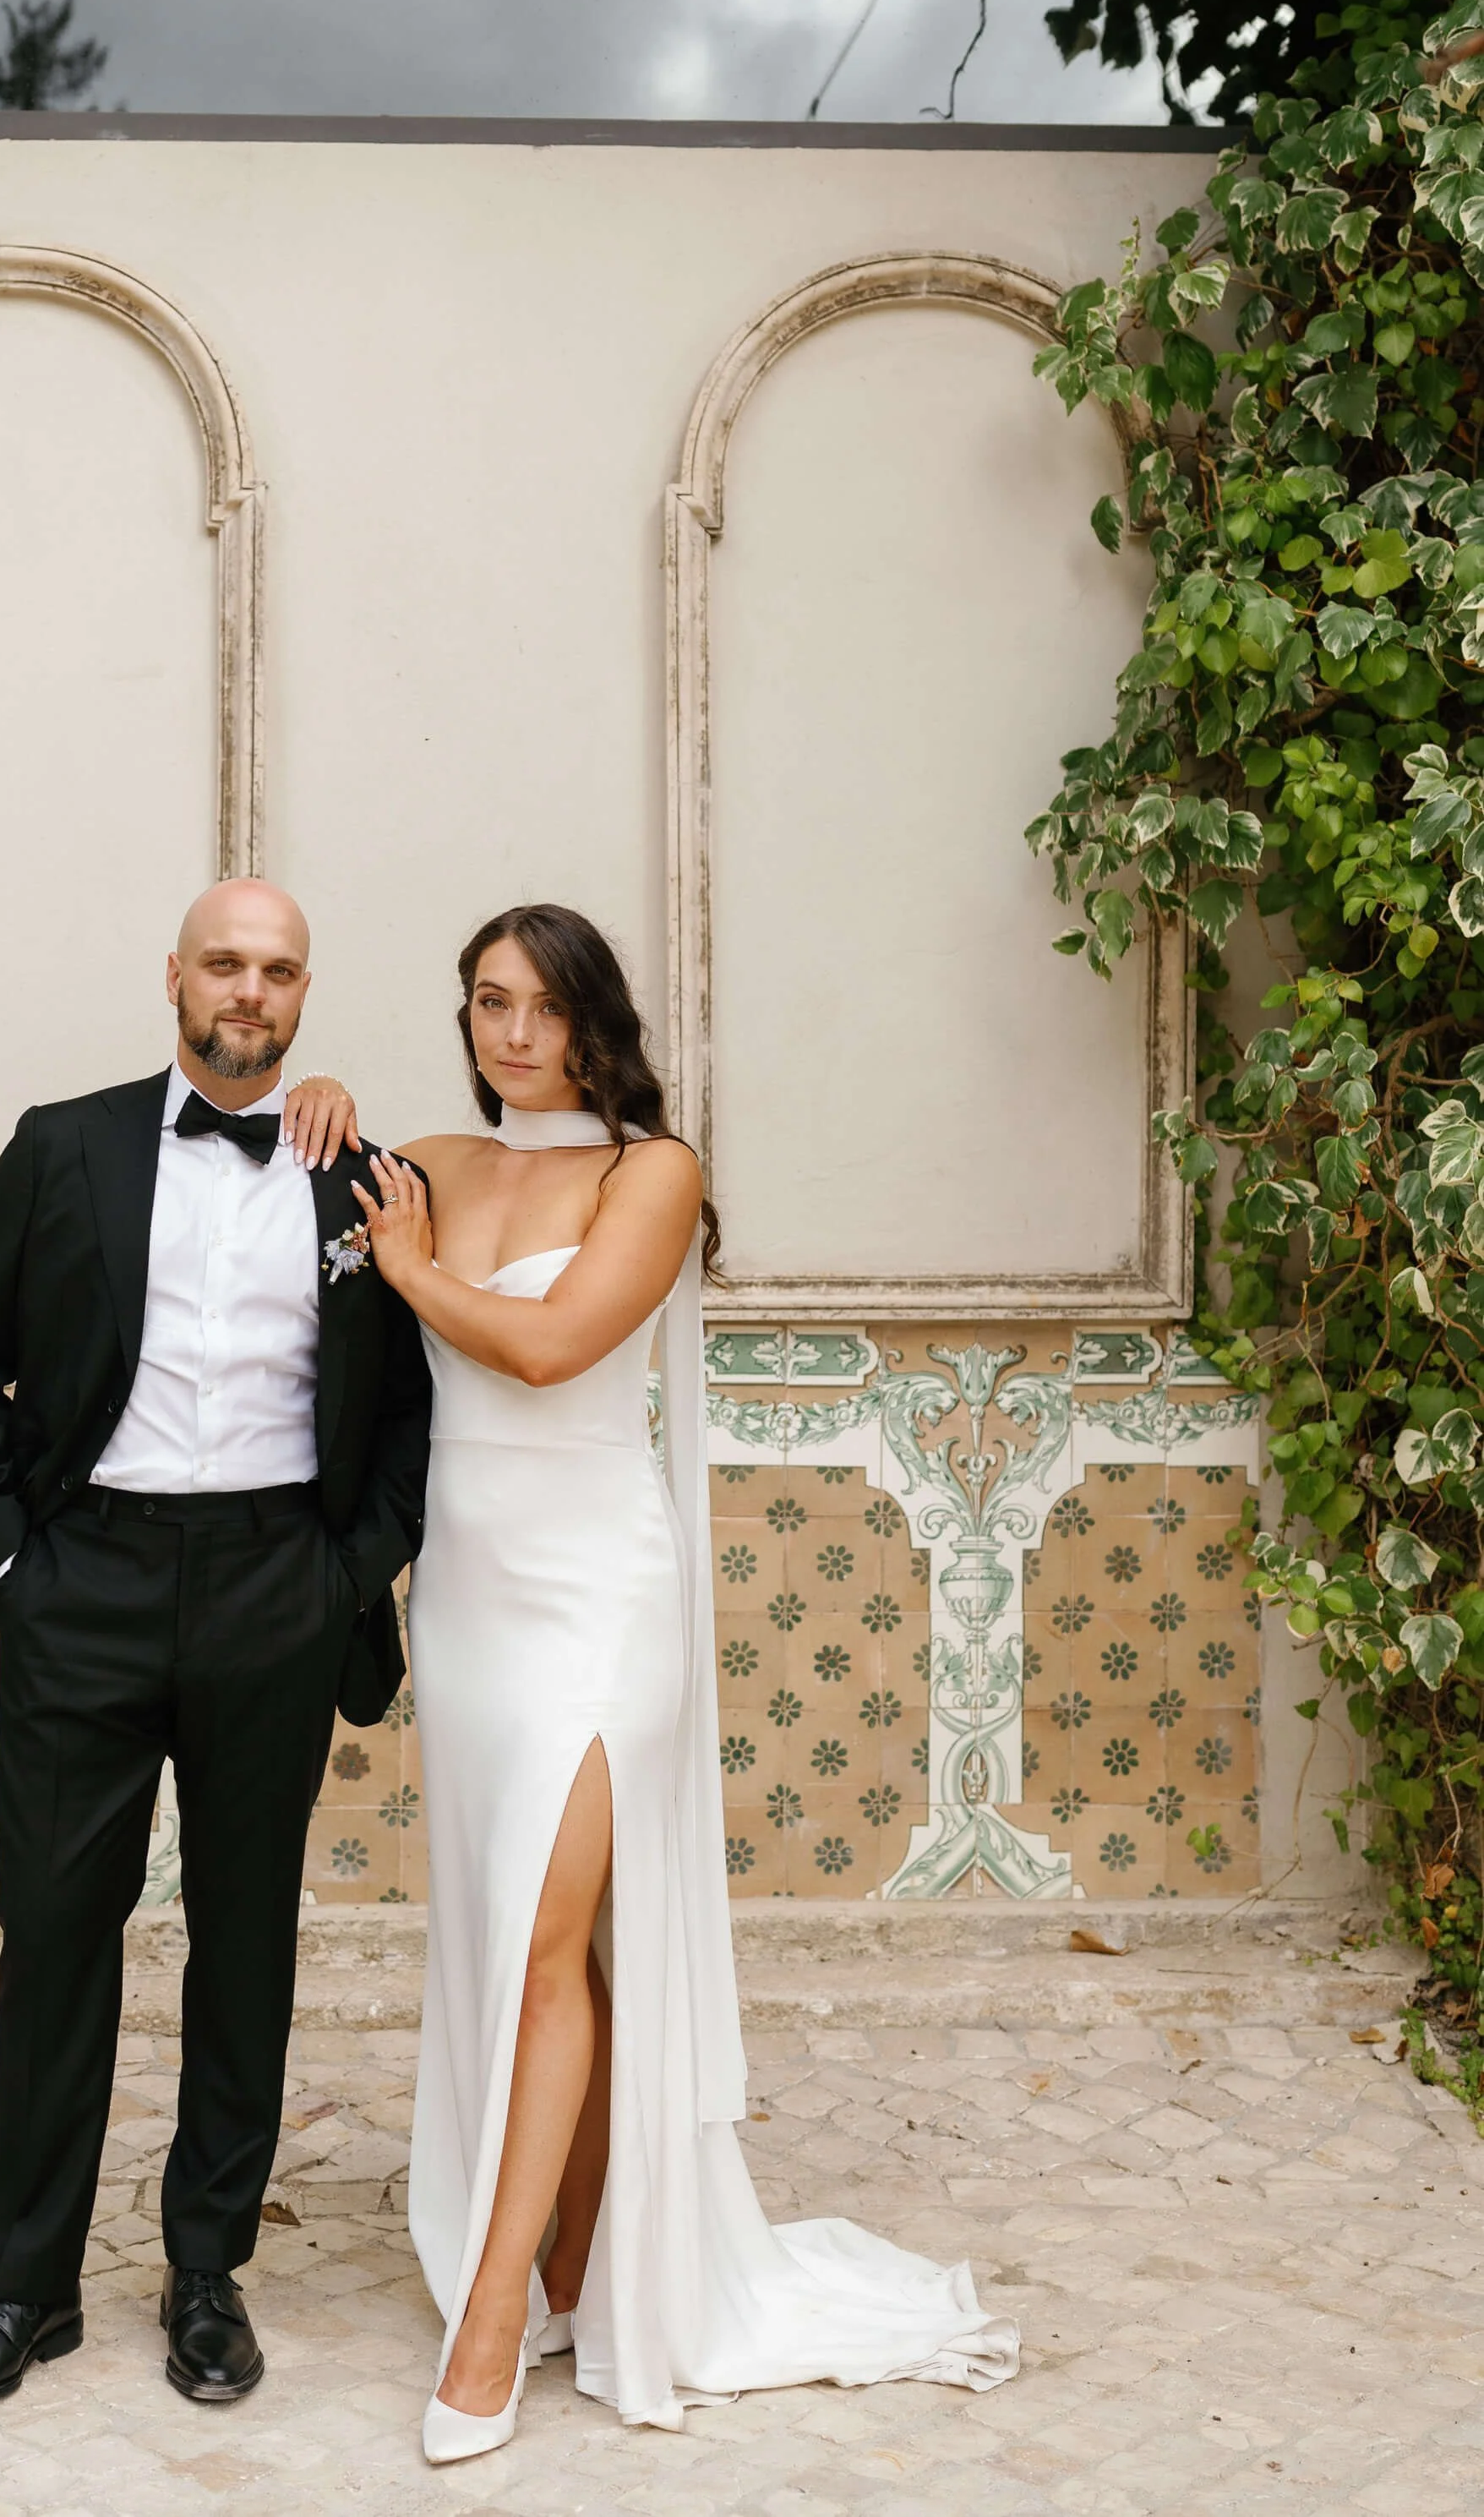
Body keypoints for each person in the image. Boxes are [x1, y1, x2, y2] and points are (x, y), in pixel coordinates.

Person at [346, 903, 1018, 2460]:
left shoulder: (655, 1170)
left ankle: (496, 2323)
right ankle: (576, 2251)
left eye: (543, 1005)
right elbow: (293, 1184)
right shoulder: (434, 1161)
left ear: (596, 1018)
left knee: (551, 1930)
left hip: (598, 1593)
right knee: (515, 1930)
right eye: (487, 1003)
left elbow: (551, 1348)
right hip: (465, 1596)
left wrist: (408, 1268)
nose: (514, 1032)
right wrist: (323, 1115)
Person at [0, 879, 427, 2417]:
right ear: (175, 978)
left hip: (278, 1577)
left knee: (244, 1935)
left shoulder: (368, 1181)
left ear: (305, 993)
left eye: (276, 970)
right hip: (92, 1581)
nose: (248, 991)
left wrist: (351, 1572)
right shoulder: (60, 1143)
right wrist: (14, 1560)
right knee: (57, 1932)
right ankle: (26, 2289)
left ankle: (207, 2271)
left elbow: (407, 1408)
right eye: (225, 962)